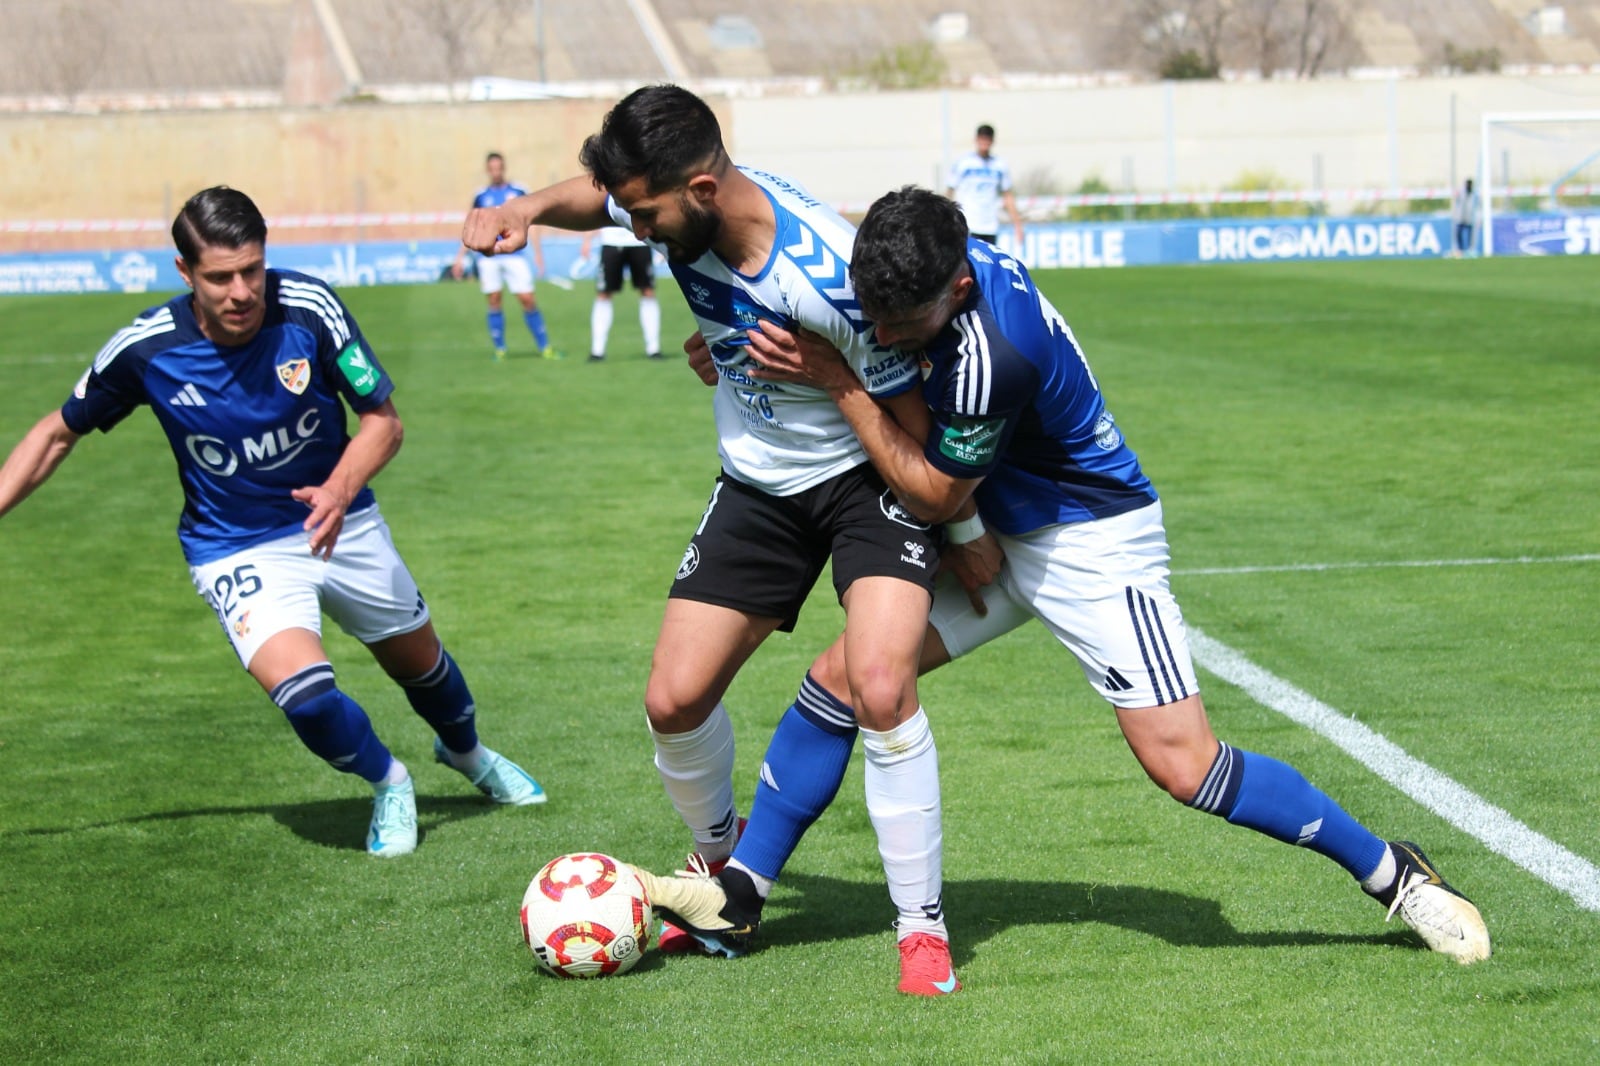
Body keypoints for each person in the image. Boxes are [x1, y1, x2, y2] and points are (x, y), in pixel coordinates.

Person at [664, 186, 1492, 967]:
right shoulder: (916, 265)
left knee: (1186, 766)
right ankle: (742, 892)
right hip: (989, 527)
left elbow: (934, 487)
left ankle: (1395, 872)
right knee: (847, 679)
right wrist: (738, 349)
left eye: (900, 322)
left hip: (1086, 540)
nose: (881, 335)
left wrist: (838, 381)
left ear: (957, 286)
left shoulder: (996, 351)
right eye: (871, 315)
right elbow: (853, 334)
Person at [462, 86, 965, 995]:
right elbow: (597, 197)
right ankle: (723, 876)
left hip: (863, 483)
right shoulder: (681, 208)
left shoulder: (827, 274)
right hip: (759, 484)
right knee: (673, 700)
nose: (636, 228)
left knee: (882, 686)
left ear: (700, 190)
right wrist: (527, 208)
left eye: (646, 212)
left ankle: (921, 928)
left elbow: (919, 426)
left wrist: (954, 521)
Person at [0, 187, 547, 857]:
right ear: (184, 272)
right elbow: (58, 433)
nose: (240, 291)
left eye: (252, 270)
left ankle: (467, 754)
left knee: (422, 665)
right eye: (220, 277)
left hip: (343, 519)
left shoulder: (309, 309)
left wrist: (340, 488)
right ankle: (390, 782)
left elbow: (384, 422)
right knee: (307, 697)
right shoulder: (147, 349)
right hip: (235, 546)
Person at [451, 152, 556, 361]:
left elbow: (531, 224)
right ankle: (500, 349)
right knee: (494, 299)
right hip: (489, 257)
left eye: (499, 167)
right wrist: (459, 257)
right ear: (488, 170)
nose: (496, 171)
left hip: (515, 255)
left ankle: (545, 347)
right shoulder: (481, 195)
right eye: (492, 168)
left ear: (503, 168)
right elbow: (471, 225)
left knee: (527, 299)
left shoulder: (518, 190)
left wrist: (538, 254)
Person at [582, 226, 663, 361]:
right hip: (611, 242)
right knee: (603, 294)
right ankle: (597, 350)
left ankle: (654, 349)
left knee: (647, 292)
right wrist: (587, 239)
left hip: (640, 241)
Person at [946, 124, 1024, 250]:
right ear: (976, 140)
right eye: (982, 138)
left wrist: (1018, 225)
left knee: (989, 263)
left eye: (987, 139)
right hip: (968, 222)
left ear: (992, 141)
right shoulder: (964, 163)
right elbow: (950, 191)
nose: (985, 142)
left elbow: (1008, 196)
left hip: (990, 225)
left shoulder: (999, 165)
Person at [1450, 178, 1478, 258]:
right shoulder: (1461, 193)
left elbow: (1477, 206)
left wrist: (1478, 218)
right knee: (1458, 233)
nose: (1468, 186)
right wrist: (1454, 214)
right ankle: (1460, 250)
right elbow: (1456, 203)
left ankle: (1470, 250)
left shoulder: (1475, 194)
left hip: (1470, 218)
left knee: (1471, 235)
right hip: (1460, 218)